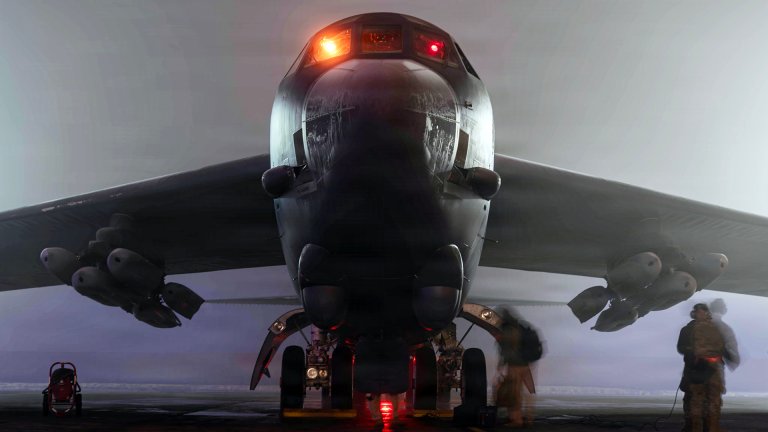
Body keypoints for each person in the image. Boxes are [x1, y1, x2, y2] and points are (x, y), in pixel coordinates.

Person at [677, 303, 729, 432]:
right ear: (694, 314)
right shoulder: (687, 330)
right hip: (694, 369)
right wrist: (693, 352)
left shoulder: (716, 329)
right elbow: (681, 347)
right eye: (699, 312)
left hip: (712, 371)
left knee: (712, 401)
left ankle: (709, 427)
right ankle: (692, 427)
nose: (701, 314)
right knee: (692, 400)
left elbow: (722, 347)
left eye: (703, 312)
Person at [495, 307, 541, 428]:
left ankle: (516, 420)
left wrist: (501, 364)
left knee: (514, 393)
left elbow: (506, 349)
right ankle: (529, 417)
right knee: (530, 391)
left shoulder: (507, 329)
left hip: (515, 364)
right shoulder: (522, 326)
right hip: (527, 363)